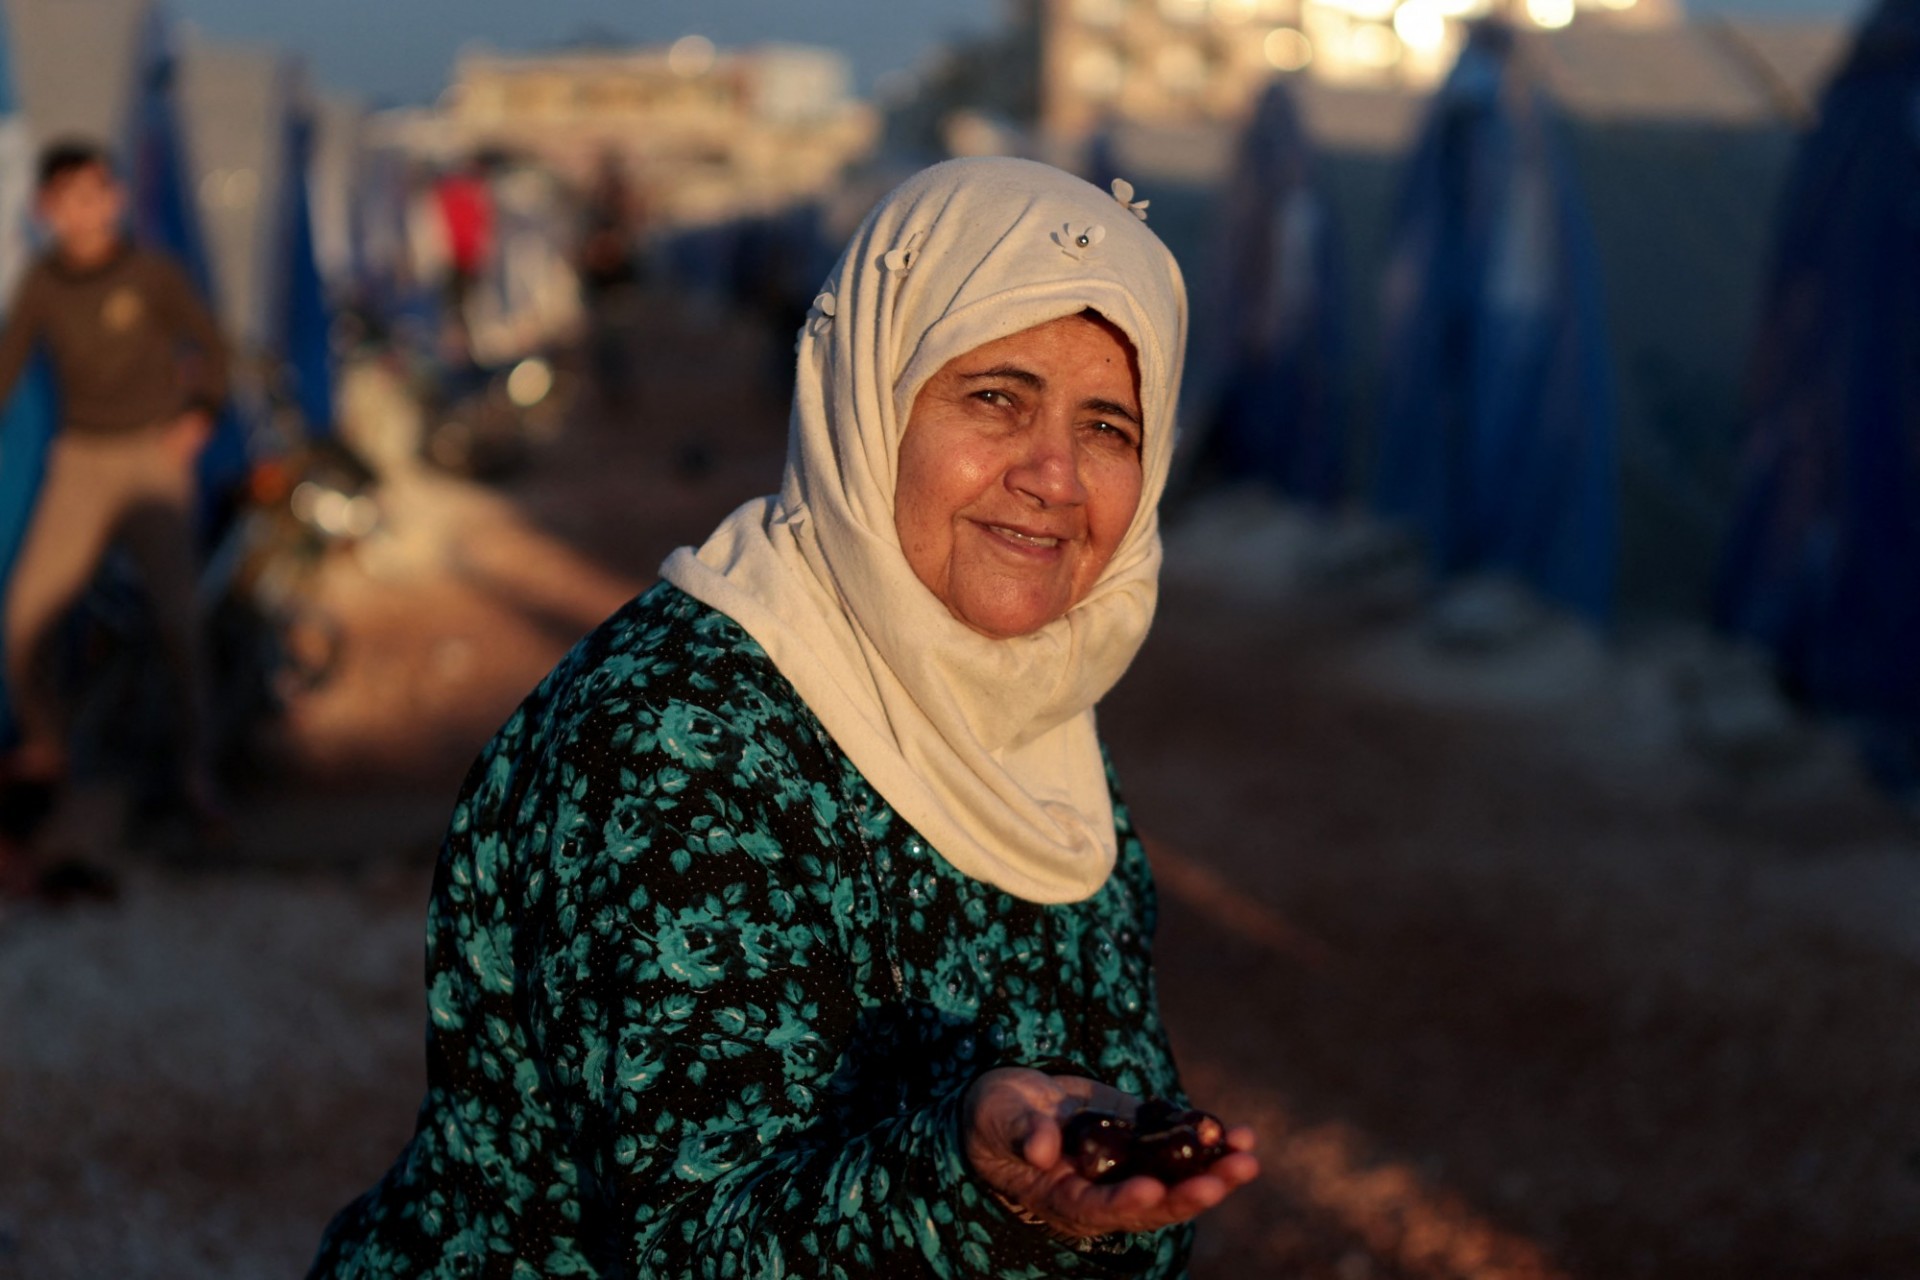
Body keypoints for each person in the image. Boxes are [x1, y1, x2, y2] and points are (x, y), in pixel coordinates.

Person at [309, 156, 1258, 1277]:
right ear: (869, 397)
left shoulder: (1027, 718)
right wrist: (970, 1186)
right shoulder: (672, 734)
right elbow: (694, 1243)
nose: (1054, 473)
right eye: (995, 397)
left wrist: (1077, 1192)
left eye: (1108, 424)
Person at [0, 140, 229, 890]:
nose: (84, 211)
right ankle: (47, 744)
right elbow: (7, 369)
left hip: (150, 460)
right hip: (81, 461)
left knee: (177, 620)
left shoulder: (151, 275)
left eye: (96, 194)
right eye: (68, 200)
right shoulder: (42, 282)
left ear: (116, 200)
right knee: (29, 610)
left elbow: (213, 342)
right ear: (46, 212)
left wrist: (198, 414)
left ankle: (195, 771)